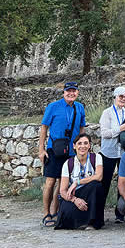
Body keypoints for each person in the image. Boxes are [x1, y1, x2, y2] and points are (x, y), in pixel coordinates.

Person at [38, 81, 86, 228]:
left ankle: (55, 211)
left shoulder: (80, 107)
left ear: (77, 93)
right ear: (63, 92)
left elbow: (82, 128)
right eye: (68, 91)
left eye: (74, 91)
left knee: (62, 183)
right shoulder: (53, 107)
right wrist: (41, 149)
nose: (71, 94)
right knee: (50, 182)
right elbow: (44, 128)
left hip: (71, 152)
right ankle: (46, 213)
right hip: (54, 150)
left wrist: (82, 147)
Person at [55, 133, 104, 230]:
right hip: (74, 194)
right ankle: (80, 222)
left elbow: (99, 176)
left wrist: (77, 182)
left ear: (89, 145)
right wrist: (75, 200)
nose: (82, 146)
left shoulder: (96, 157)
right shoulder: (68, 163)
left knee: (95, 185)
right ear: (74, 146)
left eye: (86, 143)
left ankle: (92, 223)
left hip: (90, 194)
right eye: (79, 143)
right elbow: (63, 191)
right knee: (65, 213)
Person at [99, 86, 125, 223]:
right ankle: (98, 214)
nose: (123, 99)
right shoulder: (107, 113)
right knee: (104, 183)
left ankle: (120, 214)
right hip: (108, 153)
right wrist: (120, 129)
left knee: (122, 182)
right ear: (115, 97)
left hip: (122, 152)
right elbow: (104, 133)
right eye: (121, 96)